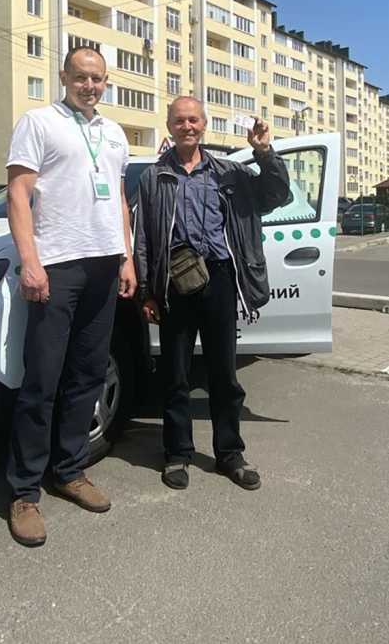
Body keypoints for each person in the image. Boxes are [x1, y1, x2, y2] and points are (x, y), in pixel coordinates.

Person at [4, 46, 136, 547]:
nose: (90, 86)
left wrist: (126, 256)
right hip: (57, 266)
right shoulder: (38, 122)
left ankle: (70, 470)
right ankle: (23, 492)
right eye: (81, 77)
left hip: (104, 265)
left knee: (87, 375)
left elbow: (119, 197)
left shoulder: (115, 132)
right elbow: (18, 193)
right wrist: (30, 261)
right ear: (63, 76)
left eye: (98, 79)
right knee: (42, 380)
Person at [133, 97, 289, 491]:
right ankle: (177, 454)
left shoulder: (230, 172)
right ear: (169, 125)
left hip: (219, 277)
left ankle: (230, 453)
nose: (187, 126)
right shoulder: (155, 177)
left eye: (194, 120)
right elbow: (145, 240)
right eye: (180, 120)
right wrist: (149, 293)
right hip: (174, 283)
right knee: (176, 374)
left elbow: (276, 195)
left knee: (223, 373)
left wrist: (264, 151)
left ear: (203, 125)